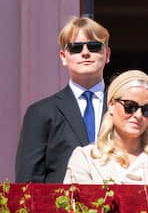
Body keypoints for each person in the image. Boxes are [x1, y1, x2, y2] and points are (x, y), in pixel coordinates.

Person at [15, 16, 111, 183]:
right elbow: (28, 181)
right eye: (76, 48)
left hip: (118, 206)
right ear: (63, 56)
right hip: (60, 207)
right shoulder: (40, 112)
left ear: (107, 54)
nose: (85, 52)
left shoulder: (127, 109)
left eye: (94, 46)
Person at [63, 70, 148, 184]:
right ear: (111, 105)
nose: (138, 115)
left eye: (147, 110)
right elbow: (73, 202)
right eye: (130, 106)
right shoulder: (86, 159)